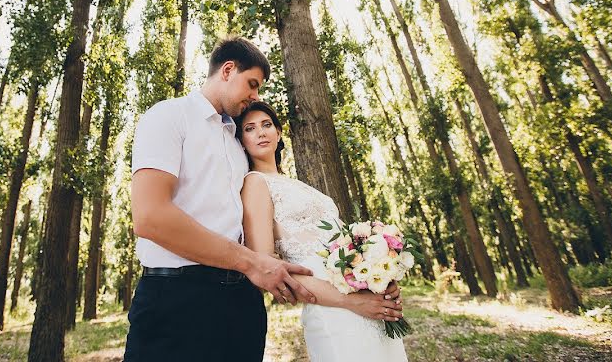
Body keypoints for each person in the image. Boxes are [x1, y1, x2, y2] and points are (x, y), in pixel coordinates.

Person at [123, 36, 317, 362]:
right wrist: (251, 262)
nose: (255, 96)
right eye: (252, 84)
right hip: (175, 300)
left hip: (241, 305)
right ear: (227, 70)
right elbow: (150, 216)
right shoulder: (169, 116)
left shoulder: (238, 142)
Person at [237, 101, 409, 361]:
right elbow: (268, 266)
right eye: (250, 128)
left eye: (266, 124)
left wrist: (380, 279)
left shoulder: (294, 183)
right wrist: (350, 301)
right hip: (333, 306)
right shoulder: (254, 183)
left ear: (279, 133)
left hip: (366, 299)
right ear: (242, 140)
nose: (260, 132)